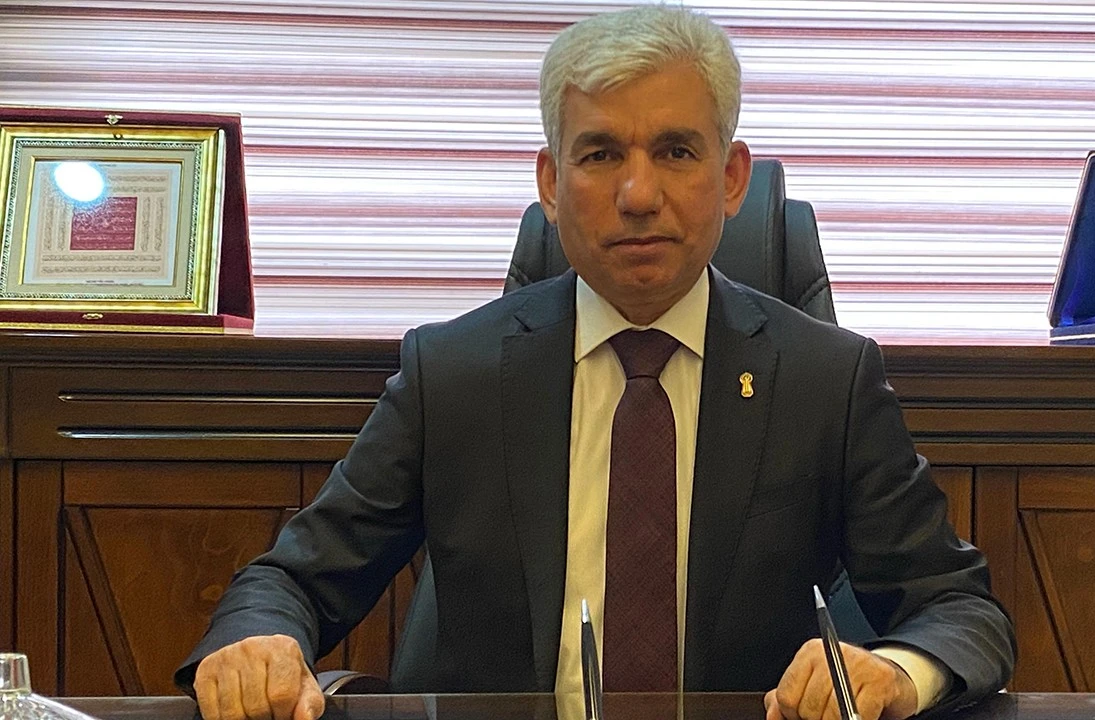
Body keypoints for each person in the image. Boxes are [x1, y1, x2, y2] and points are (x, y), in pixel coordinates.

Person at [177, 6, 1015, 720]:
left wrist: (895, 672)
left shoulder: (825, 381)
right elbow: (293, 580)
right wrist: (262, 643)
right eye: (601, 153)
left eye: (676, 152)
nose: (638, 194)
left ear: (731, 178)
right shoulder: (454, 374)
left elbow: (956, 608)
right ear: (551, 182)